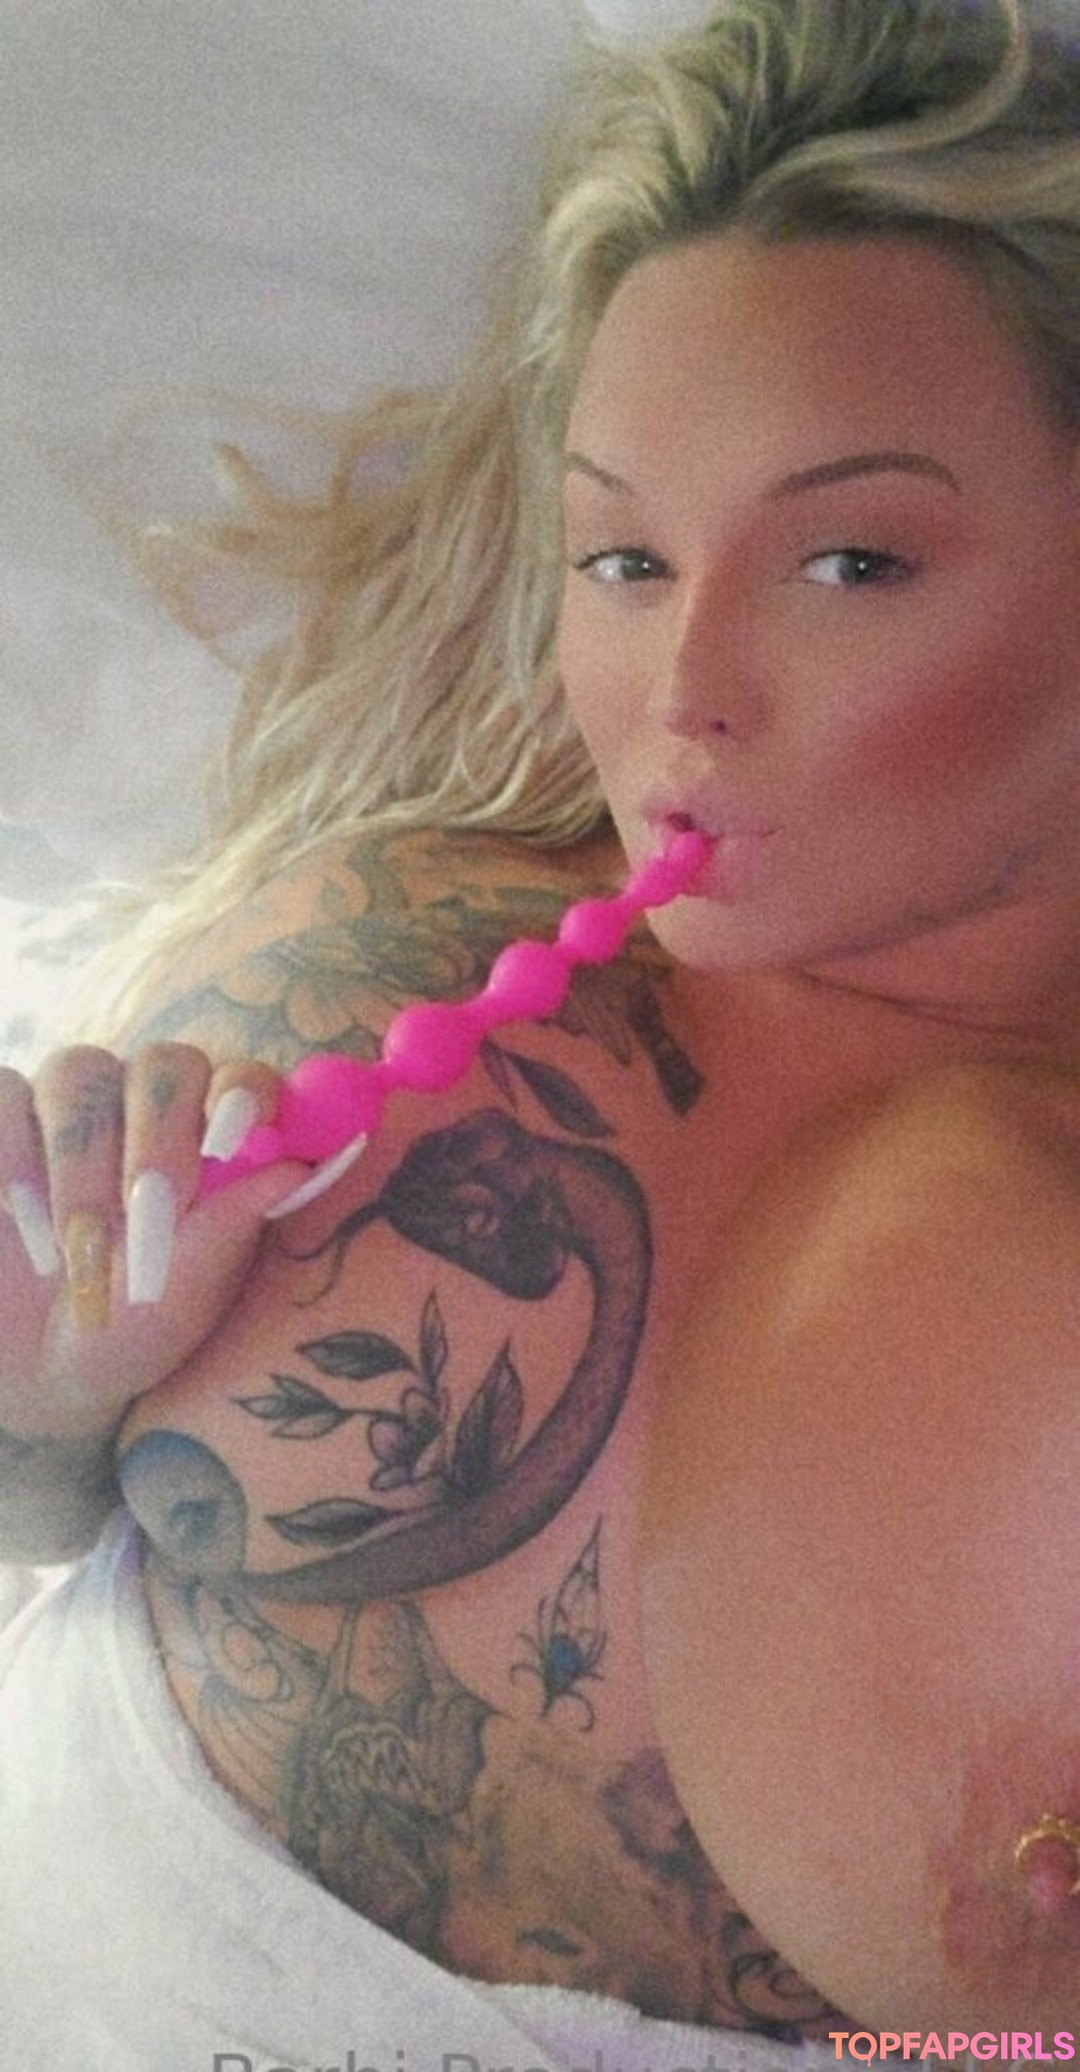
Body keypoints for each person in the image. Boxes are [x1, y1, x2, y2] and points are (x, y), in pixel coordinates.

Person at [1, 0, 1079, 2055]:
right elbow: (29, 1528)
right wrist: (39, 1401)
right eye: (627, 556)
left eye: (850, 560)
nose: (683, 693)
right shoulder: (371, 969)